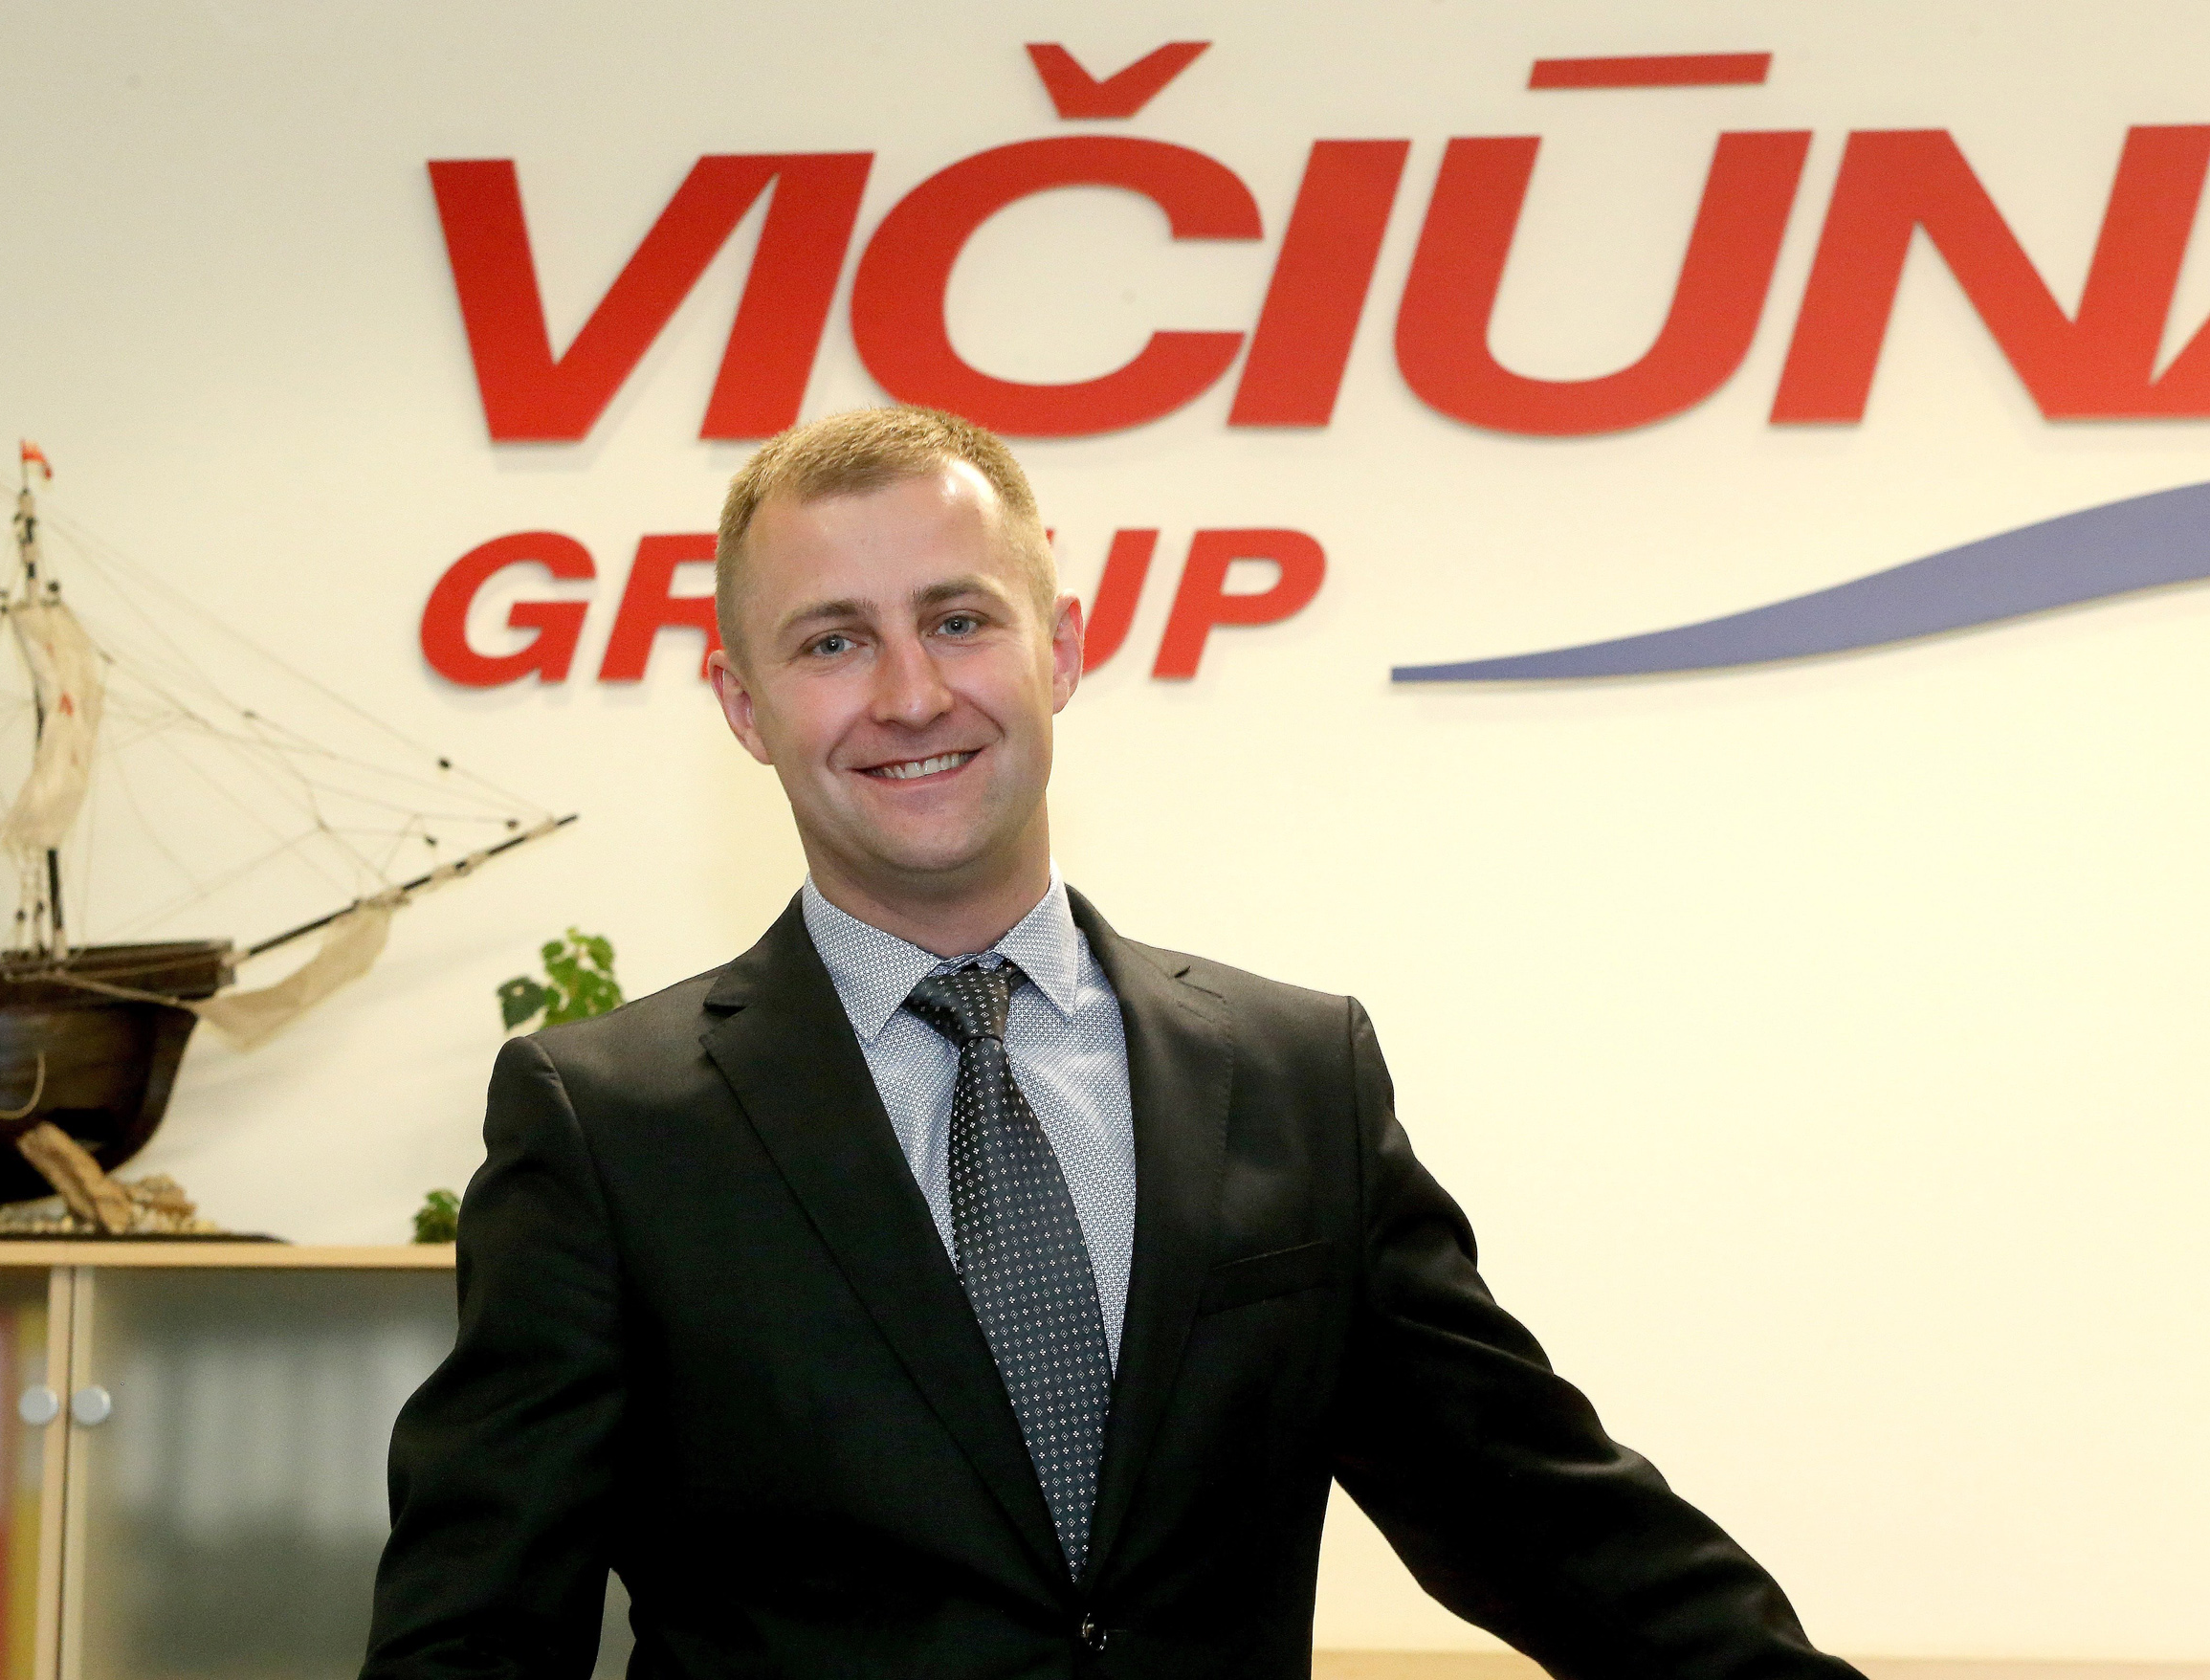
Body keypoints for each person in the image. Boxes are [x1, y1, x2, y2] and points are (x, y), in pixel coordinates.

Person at [363, 407, 1861, 1680]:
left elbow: (1543, 1518)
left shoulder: (1294, 1077)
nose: (909, 694)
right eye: (832, 641)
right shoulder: (608, 1126)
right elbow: (478, 1632)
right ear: (742, 704)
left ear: (1060, 647)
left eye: (959, 620)